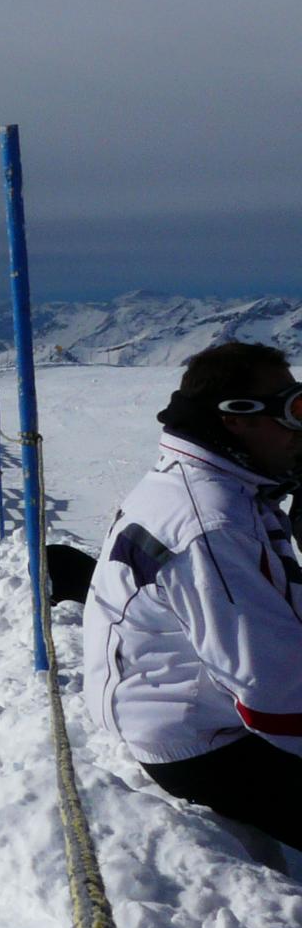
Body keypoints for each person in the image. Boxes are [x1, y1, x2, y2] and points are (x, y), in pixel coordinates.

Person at [82, 341, 302, 850]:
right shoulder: (212, 522)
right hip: (204, 747)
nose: (301, 430)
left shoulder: (205, 484)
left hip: (183, 713)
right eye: (294, 409)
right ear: (236, 419)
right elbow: (273, 693)